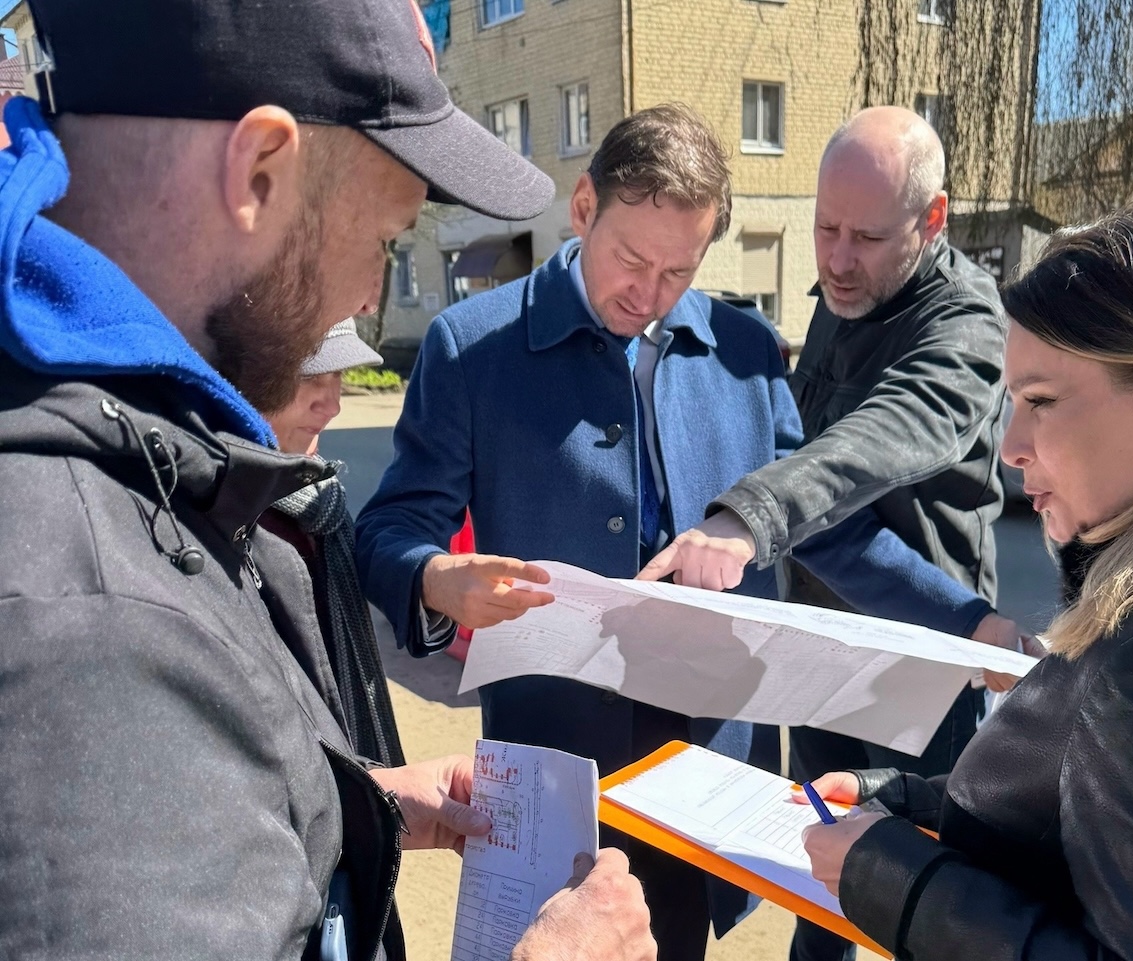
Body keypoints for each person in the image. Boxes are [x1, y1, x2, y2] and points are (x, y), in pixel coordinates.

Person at [0, 0, 655, 958]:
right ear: (261, 170)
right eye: (385, 238)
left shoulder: (125, 442)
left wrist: (343, 807)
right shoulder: (87, 619)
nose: (365, 297)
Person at [354, 103, 1018, 960]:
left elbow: (824, 531)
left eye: (680, 270)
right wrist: (433, 578)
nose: (650, 292)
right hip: (555, 769)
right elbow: (390, 527)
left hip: (702, 775)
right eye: (632, 259)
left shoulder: (744, 351)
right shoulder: (472, 346)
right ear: (584, 208)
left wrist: (968, 620)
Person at [801, 190, 1133, 960]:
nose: (1011, 444)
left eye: (1043, 401)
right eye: (1011, 401)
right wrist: (917, 803)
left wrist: (895, 879)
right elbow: (1097, 811)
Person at [639, 108, 1014, 961]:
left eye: (868, 238)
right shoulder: (845, 296)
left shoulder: (965, 326)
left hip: (922, 663)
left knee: (934, 897)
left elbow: (874, 439)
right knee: (818, 874)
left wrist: (750, 515)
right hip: (819, 648)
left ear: (933, 219)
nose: (838, 260)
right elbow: (800, 435)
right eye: (825, 228)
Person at [261, 318, 455, 768]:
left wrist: (433, 581)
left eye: (339, 376)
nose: (332, 405)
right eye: (309, 375)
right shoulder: (220, 520)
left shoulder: (318, 499)